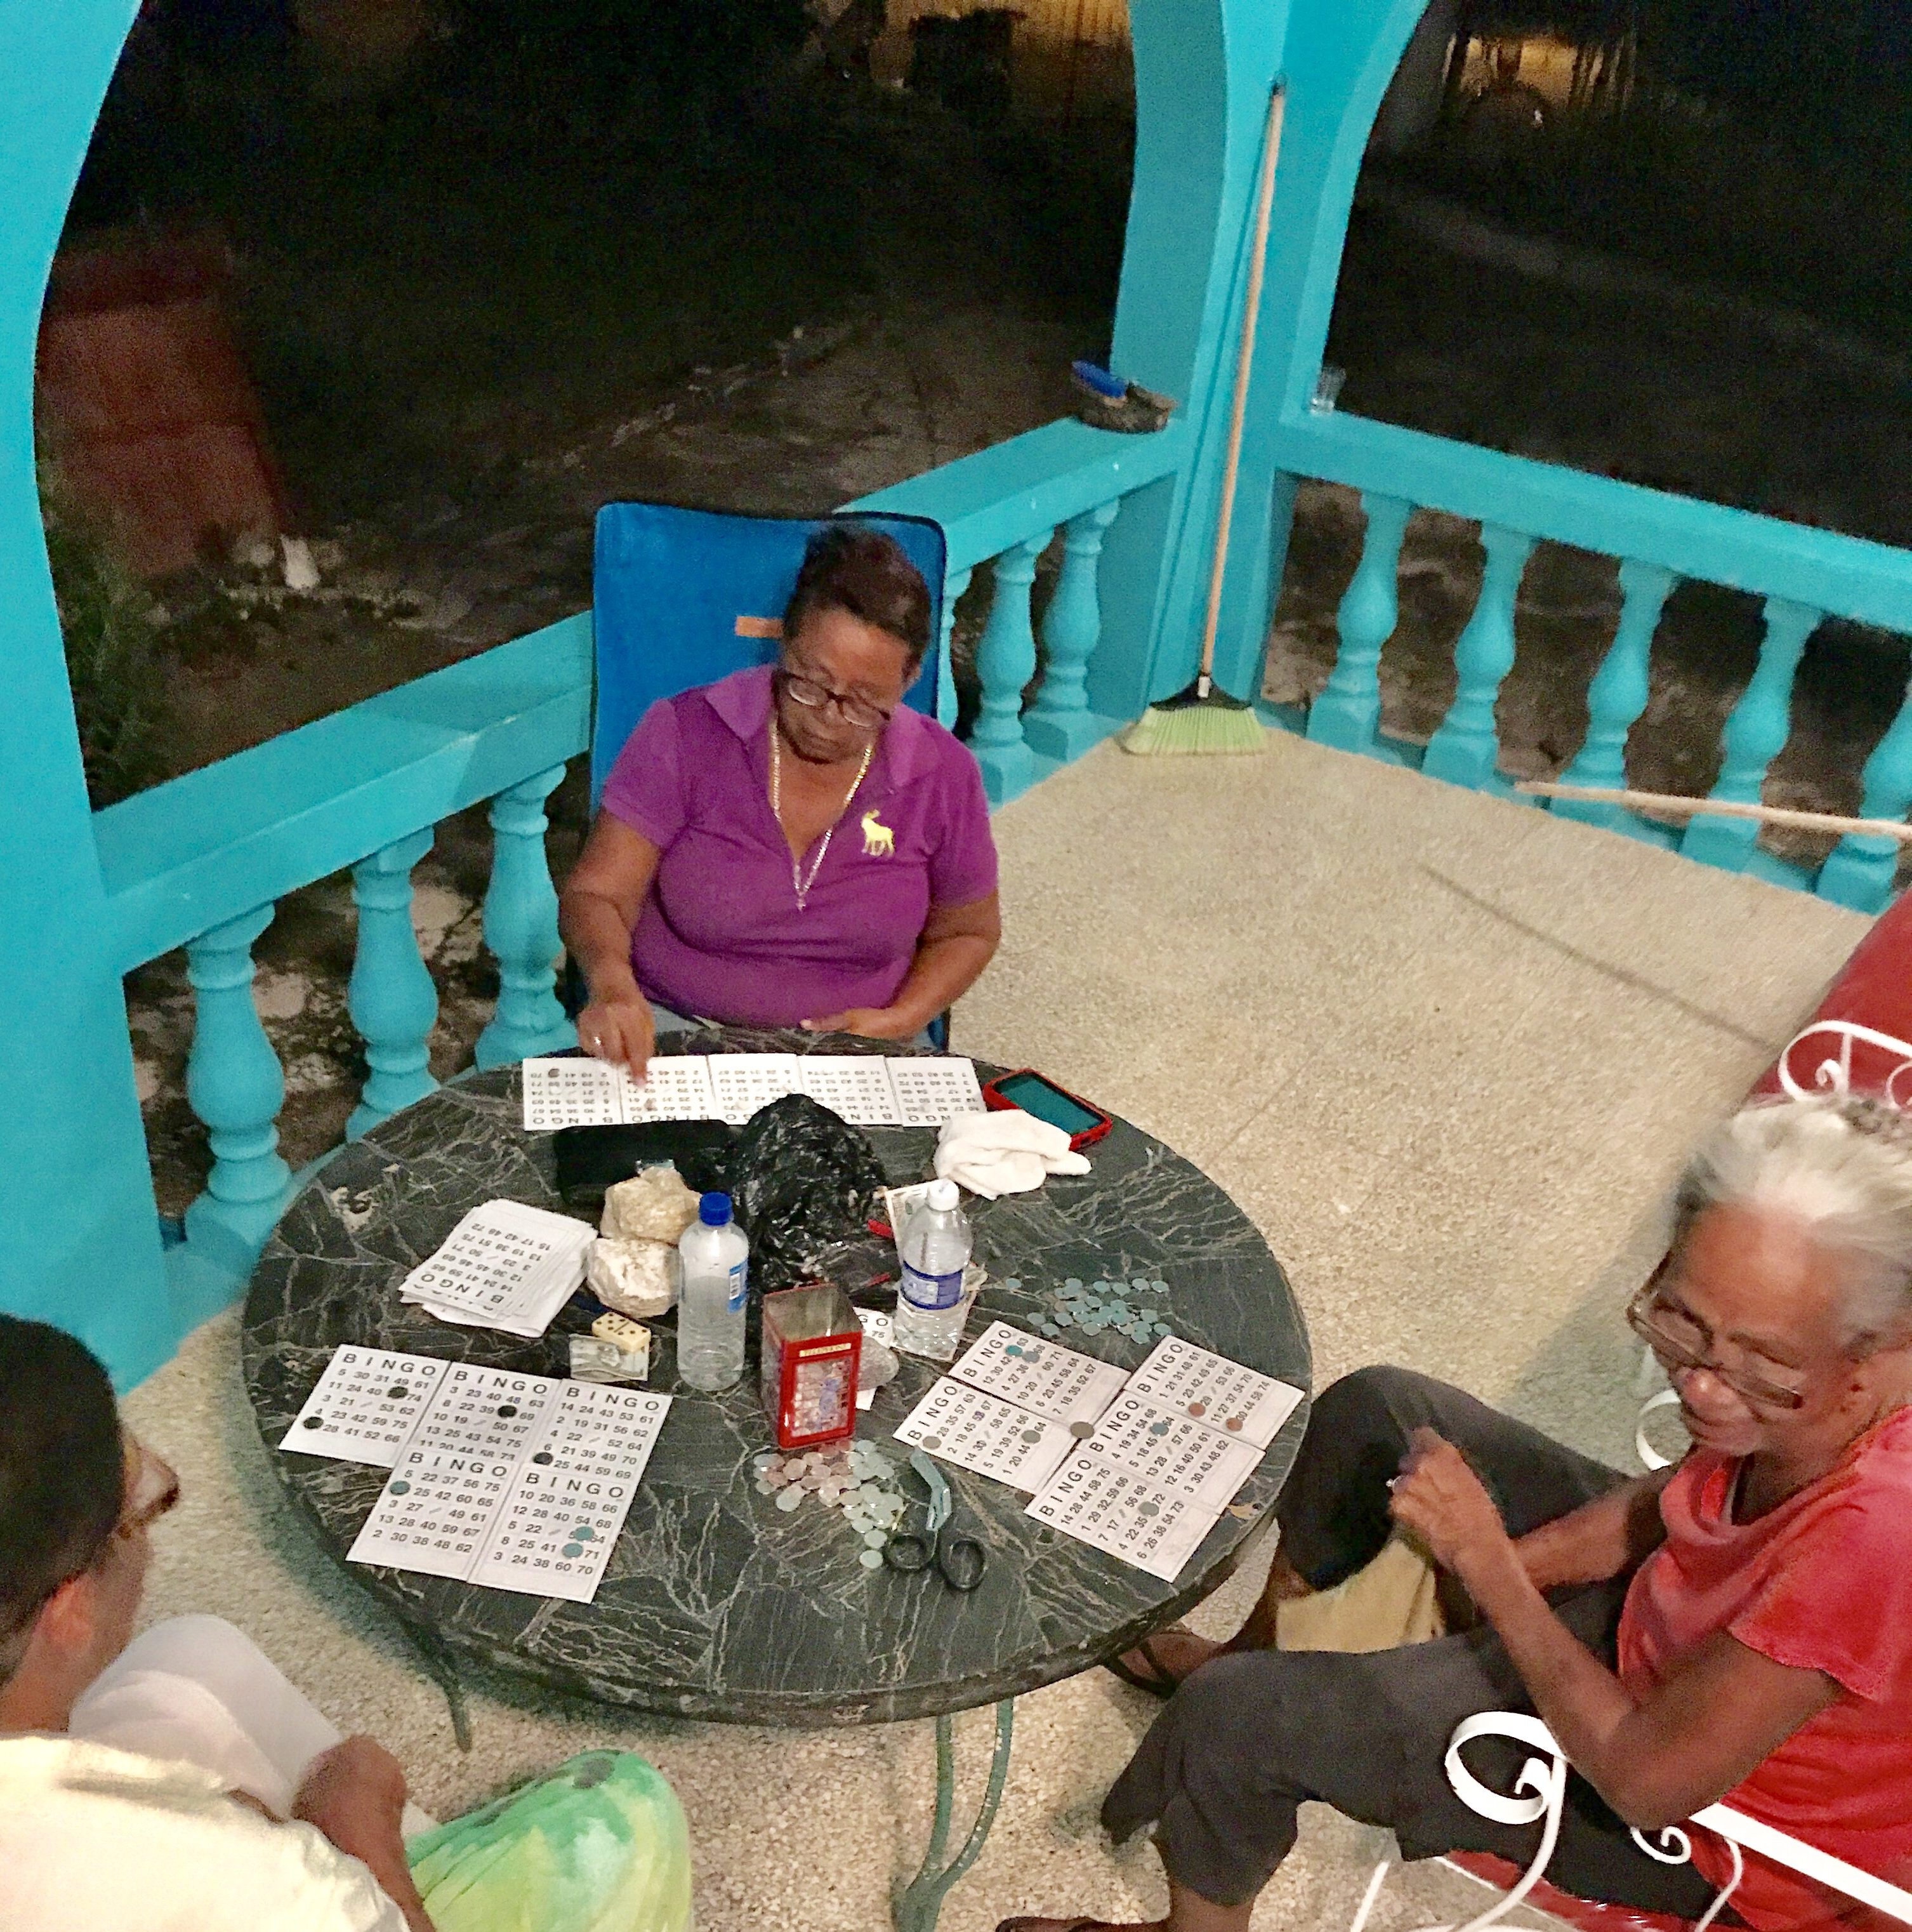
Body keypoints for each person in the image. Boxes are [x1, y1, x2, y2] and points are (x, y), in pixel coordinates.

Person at [1001, 1093, 1912, 1932]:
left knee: (1241, 1719)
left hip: (1712, 1819)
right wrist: (1515, 1565)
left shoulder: (1875, 1530)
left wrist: (1487, 1566)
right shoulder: (1810, 1381)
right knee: (1374, 1416)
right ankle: (1270, 1649)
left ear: (1878, 1349)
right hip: (1666, 1628)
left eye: (1752, 1362)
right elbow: (1684, 1493)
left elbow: (1646, 1785)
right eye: (1683, 1325)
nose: (1702, 1387)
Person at [0, 1314, 693, 1932]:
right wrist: (350, 1824)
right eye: (140, 1509)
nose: (164, 1494)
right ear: (70, 1610)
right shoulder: (222, 1877)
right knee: (629, 1808)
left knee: (194, 1654)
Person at [560, 523, 1000, 1078]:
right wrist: (613, 986)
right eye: (809, 684)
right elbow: (598, 894)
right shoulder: (686, 732)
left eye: (864, 703)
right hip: (679, 1036)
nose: (828, 718)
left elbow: (968, 931)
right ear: (784, 643)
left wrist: (899, 1020)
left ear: (910, 679)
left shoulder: (943, 773)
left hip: (858, 1050)